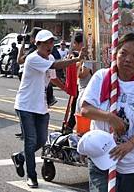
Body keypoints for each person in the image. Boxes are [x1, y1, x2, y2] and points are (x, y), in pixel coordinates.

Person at [81, 33, 134, 192]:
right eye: (123, 53)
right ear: (115, 53)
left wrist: (130, 144)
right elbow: (85, 109)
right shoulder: (101, 77)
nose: (128, 59)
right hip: (101, 154)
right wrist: (110, 117)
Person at [11, 30, 82, 188]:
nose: (50, 46)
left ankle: (20, 157)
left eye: (51, 42)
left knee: (41, 140)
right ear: (38, 44)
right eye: (46, 43)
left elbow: (53, 77)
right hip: (25, 105)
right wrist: (77, 59)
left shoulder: (49, 57)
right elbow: (56, 65)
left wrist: (67, 89)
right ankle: (32, 176)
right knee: (30, 141)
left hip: (41, 106)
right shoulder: (33, 58)